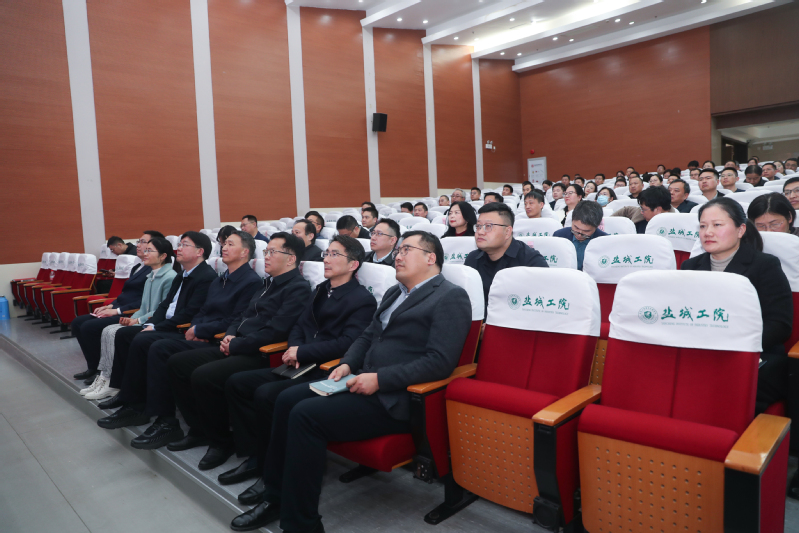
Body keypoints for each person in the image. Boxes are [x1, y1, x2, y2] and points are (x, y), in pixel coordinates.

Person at [228, 231, 472, 533]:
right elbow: (367, 336)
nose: (398, 256)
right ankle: (274, 495)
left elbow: (439, 362)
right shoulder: (395, 292)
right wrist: (347, 363)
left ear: (430, 257)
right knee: (285, 399)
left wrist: (380, 379)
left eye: (406, 249)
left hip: (394, 397)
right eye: (398, 250)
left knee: (305, 415)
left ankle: (301, 524)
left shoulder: (450, 296)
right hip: (359, 380)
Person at [220, 236, 376, 487]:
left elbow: (347, 342)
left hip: (324, 369)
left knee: (267, 395)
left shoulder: (362, 299)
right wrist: (294, 348)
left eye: (335, 254)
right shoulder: (320, 289)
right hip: (299, 362)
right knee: (237, 384)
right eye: (326, 253)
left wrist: (302, 352)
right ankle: (256, 455)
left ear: (353, 264)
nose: (326, 259)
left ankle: (273, 465)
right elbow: (300, 324)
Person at [97, 231, 263, 450]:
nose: (223, 247)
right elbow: (202, 311)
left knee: (157, 347)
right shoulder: (221, 279)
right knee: (141, 340)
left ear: (244, 252)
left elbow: (236, 319)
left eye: (230, 244)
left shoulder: (250, 282)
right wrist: (196, 327)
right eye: (224, 244)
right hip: (200, 333)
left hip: (217, 339)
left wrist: (200, 329)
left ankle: (165, 420)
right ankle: (136, 405)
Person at [163, 233, 311, 467]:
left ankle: (221, 442)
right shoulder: (267, 283)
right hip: (238, 344)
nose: (266, 257)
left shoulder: (298, 288)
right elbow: (242, 315)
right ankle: (199, 429)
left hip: (261, 353)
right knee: (178, 363)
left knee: (204, 375)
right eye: (266, 251)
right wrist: (230, 334)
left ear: (291, 259)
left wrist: (236, 343)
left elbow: (276, 331)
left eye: (272, 252)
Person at [681, 198, 792, 416]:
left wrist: (733, 346)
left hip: (754, 353)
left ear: (741, 230)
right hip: (701, 352)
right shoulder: (690, 267)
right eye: (702, 226)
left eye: (717, 225)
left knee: (721, 393)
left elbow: (779, 325)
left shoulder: (765, 265)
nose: (708, 232)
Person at [94, 231, 217, 411]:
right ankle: (123, 391)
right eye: (179, 244)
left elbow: (189, 313)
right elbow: (164, 306)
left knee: (141, 339)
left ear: (200, 251)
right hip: (167, 324)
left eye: (184, 245)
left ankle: (136, 403)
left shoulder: (206, 277)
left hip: (180, 328)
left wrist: (156, 327)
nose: (179, 248)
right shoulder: (182, 274)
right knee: (124, 335)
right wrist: (151, 324)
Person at [81, 237, 177, 400]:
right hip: (143, 319)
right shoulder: (151, 276)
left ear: (162, 256)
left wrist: (137, 321)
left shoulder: (170, 277)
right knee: (108, 330)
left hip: (155, 323)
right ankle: (105, 377)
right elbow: (143, 307)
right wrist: (132, 319)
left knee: (116, 333)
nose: (145, 253)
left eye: (149, 251)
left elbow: (160, 310)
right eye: (145, 250)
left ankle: (114, 383)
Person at [72, 231, 161, 382]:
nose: (138, 245)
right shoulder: (136, 266)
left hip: (130, 312)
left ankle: (103, 370)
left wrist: (117, 310)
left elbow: (143, 301)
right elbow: (125, 293)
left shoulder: (152, 269)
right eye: (138, 242)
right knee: (77, 323)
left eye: (143, 242)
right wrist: (110, 305)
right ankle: (93, 366)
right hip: (120, 306)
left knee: (89, 327)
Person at [465, 202, 548, 304]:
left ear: (508, 232)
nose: (480, 232)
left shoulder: (531, 262)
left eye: (488, 226)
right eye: (478, 226)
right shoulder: (472, 259)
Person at [553, 201, 608, 270]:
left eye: (586, 231)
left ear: (597, 226)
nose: (579, 234)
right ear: (572, 220)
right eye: (576, 228)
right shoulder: (559, 236)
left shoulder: (605, 241)